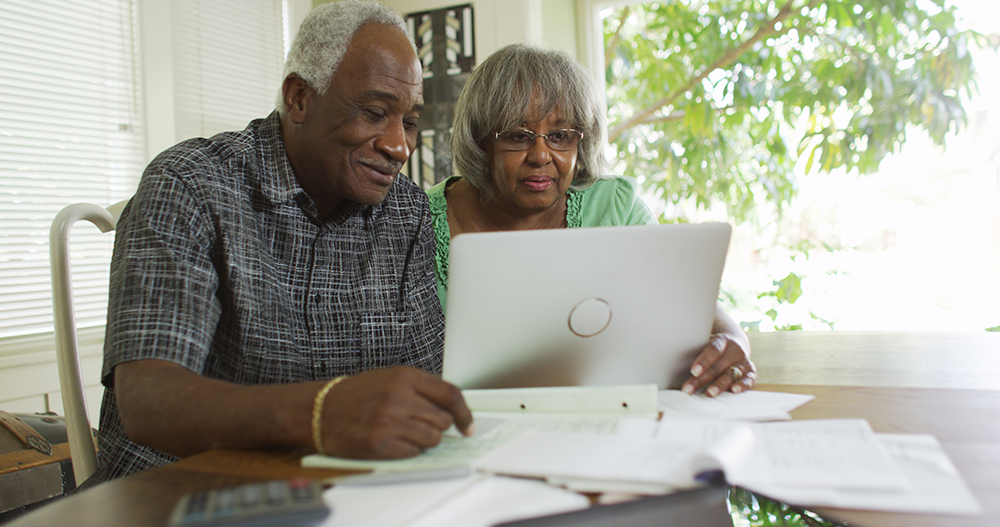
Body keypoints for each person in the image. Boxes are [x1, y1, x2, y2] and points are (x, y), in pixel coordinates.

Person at [84, 1, 473, 487]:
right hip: (181, 493)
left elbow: (425, 380)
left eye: (409, 121)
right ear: (299, 99)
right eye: (375, 113)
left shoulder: (407, 213)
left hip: (341, 493)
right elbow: (149, 398)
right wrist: (321, 413)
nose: (399, 146)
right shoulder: (190, 186)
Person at [427, 43, 756, 397]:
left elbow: (680, 299)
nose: (541, 155)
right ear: (480, 142)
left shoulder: (615, 206)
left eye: (560, 136)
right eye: (517, 136)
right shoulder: (416, 221)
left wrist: (734, 339)